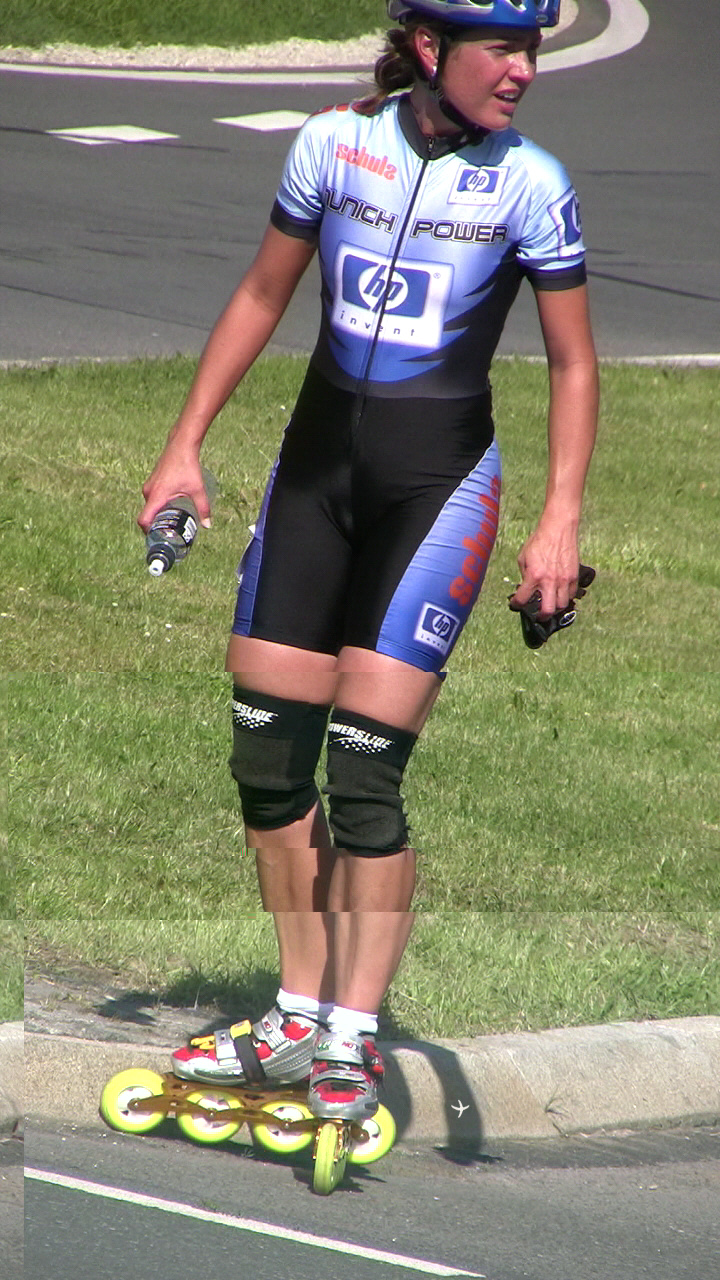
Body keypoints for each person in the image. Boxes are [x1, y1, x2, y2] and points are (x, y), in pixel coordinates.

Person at [139, 0, 598, 1122]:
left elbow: (573, 365)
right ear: (433, 49)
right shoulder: (333, 143)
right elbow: (263, 291)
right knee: (267, 759)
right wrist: (184, 447)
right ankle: (298, 1014)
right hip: (315, 478)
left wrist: (559, 522)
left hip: (437, 488)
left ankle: (352, 1033)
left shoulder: (532, 183)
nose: (524, 72)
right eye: (505, 49)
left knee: (364, 771)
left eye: (534, 51)